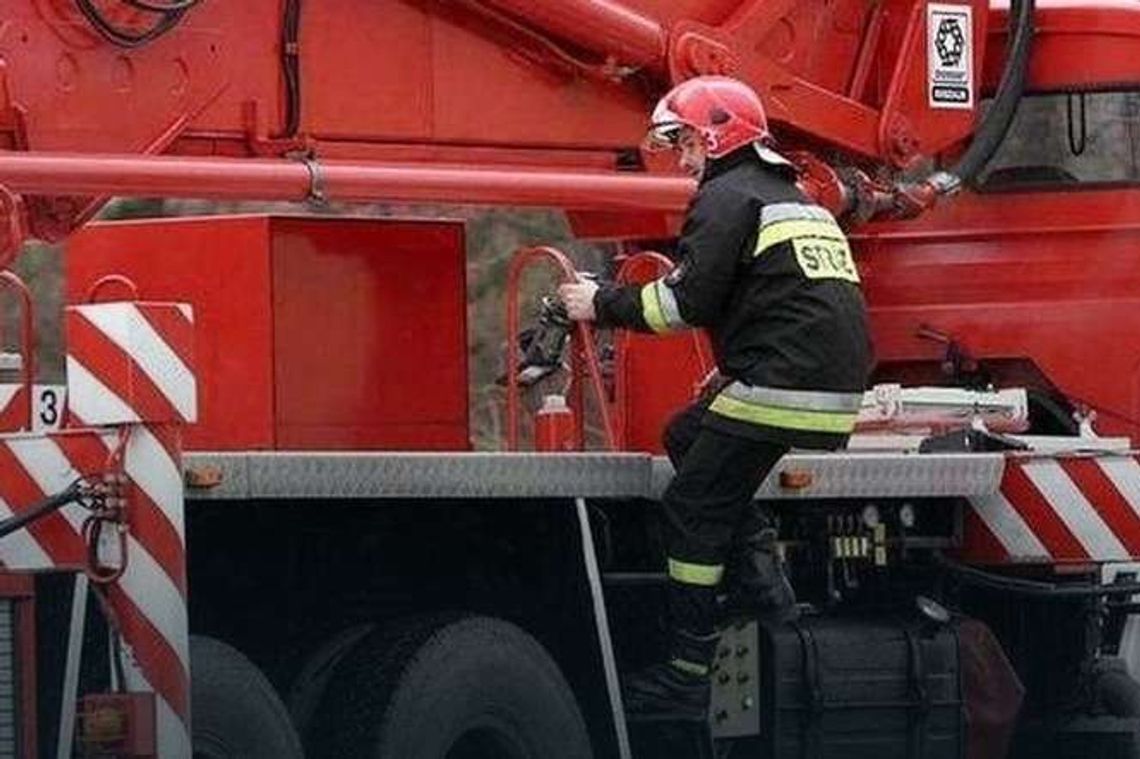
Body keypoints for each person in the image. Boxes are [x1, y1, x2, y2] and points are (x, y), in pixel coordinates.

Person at [558, 76, 873, 721]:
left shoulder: (725, 198)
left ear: (714, 134)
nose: (681, 158)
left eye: (683, 143)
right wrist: (738, 367)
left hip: (779, 387)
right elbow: (790, 303)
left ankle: (688, 671)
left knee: (691, 507)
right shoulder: (792, 198)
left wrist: (600, 304)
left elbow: (680, 305)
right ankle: (764, 584)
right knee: (685, 436)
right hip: (823, 388)